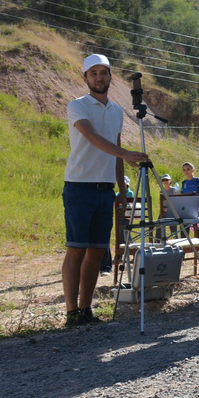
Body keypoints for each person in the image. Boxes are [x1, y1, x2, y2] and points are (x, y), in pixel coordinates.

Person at [63, 54, 149, 326]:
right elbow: (91, 137)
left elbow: (115, 150)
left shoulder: (116, 111)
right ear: (85, 78)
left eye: (104, 72)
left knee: (97, 251)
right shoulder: (77, 105)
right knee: (76, 249)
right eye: (93, 73)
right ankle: (71, 311)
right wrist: (126, 154)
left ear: (111, 76)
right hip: (79, 186)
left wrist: (122, 191)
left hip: (106, 189)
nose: (99, 77)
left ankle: (86, 310)